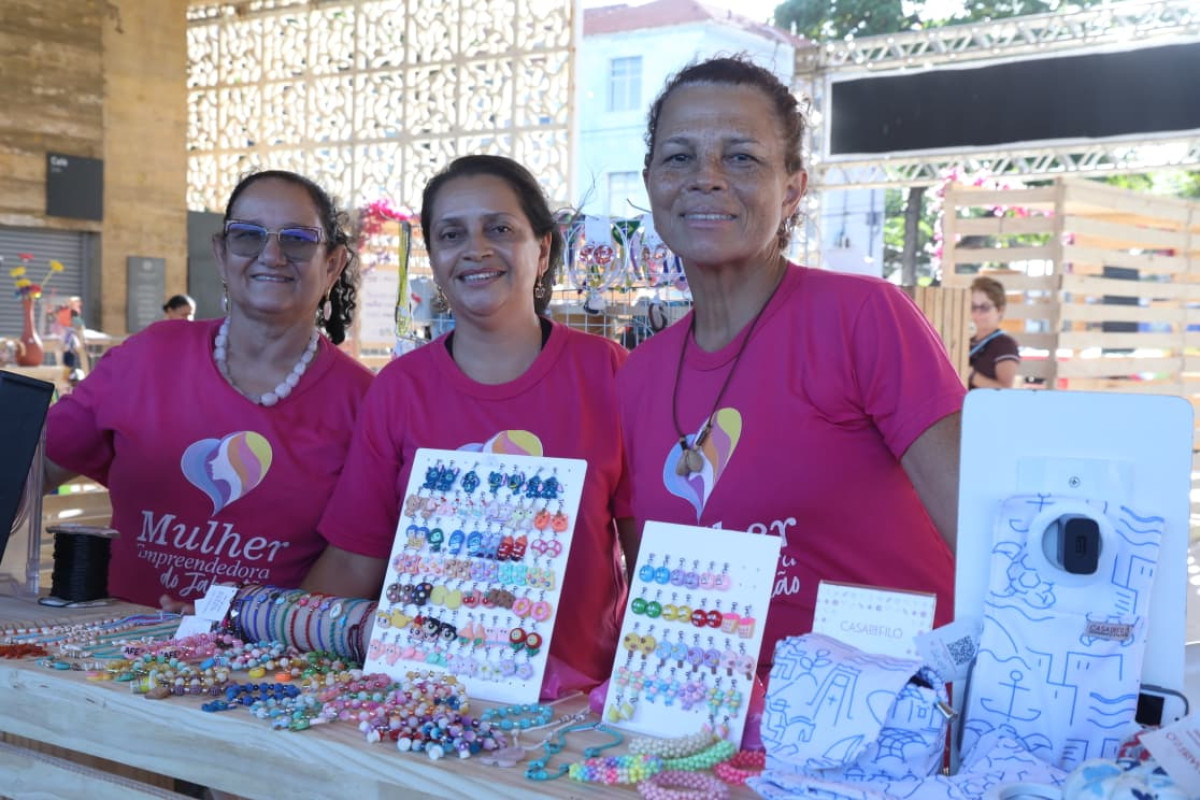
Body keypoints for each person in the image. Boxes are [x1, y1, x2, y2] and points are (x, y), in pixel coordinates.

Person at [616, 56, 966, 677]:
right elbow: (661, 601)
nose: (707, 178)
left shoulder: (863, 318)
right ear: (651, 184)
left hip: (897, 729)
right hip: (720, 736)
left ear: (793, 187)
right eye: (679, 157)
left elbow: (982, 537)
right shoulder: (636, 379)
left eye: (742, 157)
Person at [305, 155, 628, 698]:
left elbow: (648, 554)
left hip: (577, 712)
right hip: (425, 703)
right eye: (452, 234)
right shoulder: (399, 389)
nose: (476, 248)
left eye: (499, 228)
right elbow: (355, 560)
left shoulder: (611, 373)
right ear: (433, 256)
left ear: (543, 248)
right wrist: (247, 626)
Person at [43, 170, 373, 608]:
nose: (271, 255)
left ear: (332, 264)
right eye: (247, 235)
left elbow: (355, 559)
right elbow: (33, 469)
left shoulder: (365, 402)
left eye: (296, 239)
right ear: (221, 254)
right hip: (107, 661)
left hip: (263, 666)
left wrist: (245, 628)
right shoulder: (148, 357)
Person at [968, 275, 1020, 389]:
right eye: (973, 307)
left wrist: (971, 375)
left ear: (1000, 310)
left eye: (985, 307)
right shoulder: (967, 343)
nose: (978, 313)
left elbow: (1004, 390)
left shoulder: (1005, 345)